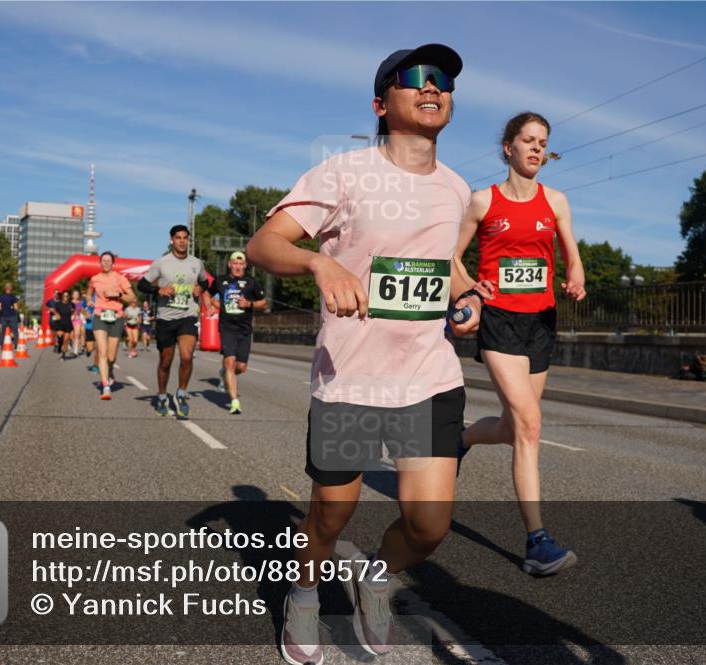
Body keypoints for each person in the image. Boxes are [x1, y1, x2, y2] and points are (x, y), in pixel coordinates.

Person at [246, 44, 480, 665]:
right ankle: (303, 592)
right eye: (416, 80)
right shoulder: (343, 173)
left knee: (429, 525)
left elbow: (443, 263)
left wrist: (467, 293)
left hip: (429, 375)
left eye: (444, 82)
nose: (433, 88)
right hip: (351, 376)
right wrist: (318, 260)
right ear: (382, 103)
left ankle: (375, 578)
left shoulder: (457, 189)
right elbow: (264, 244)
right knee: (331, 513)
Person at [452, 111, 587, 577]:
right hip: (501, 324)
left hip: (541, 322)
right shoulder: (481, 202)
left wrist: (575, 275)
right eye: (527, 140)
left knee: (514, 427)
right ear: (507, 147)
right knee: (530, 424)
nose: (536, 148)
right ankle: (536, 542)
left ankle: (462, 438)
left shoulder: (557, 201)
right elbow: (451, 257)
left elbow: (571, 253)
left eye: (542, 142)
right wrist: (472, 290)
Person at [137, 225, 212, 418]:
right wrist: (158, 290)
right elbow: (142, 284)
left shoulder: (197, 263)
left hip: (188, 316)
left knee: (186, 356)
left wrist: (200, 289)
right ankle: (162, 395)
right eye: (178, 238)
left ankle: (181, 393)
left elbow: (205, 282)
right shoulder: (161, 263)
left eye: (185, 238)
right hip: (166, 318)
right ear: (172, 240)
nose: (182, 241)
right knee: (166, 361)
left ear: (188, 240)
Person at [210, 251, 266, 414]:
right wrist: (211, 303)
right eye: (235, 263)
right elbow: (207, 292)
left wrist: (249, 304)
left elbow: (263, 302)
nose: (238, 267)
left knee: (241, 367)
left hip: (244, 329)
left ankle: (224, 374)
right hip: (227, 327)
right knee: (229, 362)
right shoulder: (221, 281)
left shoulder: (252, 282)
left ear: (245, 266)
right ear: (230, 265)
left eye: (241, 264)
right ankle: (234, 401)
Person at [86, 252, 136, 400]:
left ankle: (111, 369)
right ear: (100, 263)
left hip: (116, 317)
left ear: (113, 263)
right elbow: (89, 293)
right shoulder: (95, 279)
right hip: (99, 316)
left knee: (111, 356)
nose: (106, 263)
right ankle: (105, 385)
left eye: (109, 261)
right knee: (101, 352)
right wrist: (89, 300)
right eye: (103, 261)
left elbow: (133, 297)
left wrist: (118, 296)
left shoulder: (120, 279)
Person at [50, 291, 76, 359]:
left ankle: (63, 354)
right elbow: (53, 310)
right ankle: (59, 345)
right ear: (62, 297)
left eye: (67, 296)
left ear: (69, 297)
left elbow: (73, 312)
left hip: (68, 324)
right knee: (60, 338)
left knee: (66, 340)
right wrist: (56, 314)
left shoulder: (72, 304)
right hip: (60, 324)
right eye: (64, 296)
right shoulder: (58, 304)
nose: (65, 297)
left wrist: (74, 315)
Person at [0, 282, 21, 347]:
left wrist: (3, 311)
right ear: (11, 288)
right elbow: (16, 307)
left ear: (5, 289)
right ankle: (16, 346)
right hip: (12, 316)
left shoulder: (1, 297)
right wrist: (17, 309)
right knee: (15, 332)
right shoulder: (13, 297)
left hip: (4, 317)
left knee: (3, 332)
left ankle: (1, 346)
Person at [84, 292, 98, 372]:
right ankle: (87, 350)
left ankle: (96, 365)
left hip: (100, 328)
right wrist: (87, 314)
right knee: (90, 348)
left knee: (99, 349)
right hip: (90, 327)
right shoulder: (90, 298)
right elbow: (84, 310)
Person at [45, 289, 62, 353]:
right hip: (53, 318)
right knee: (54, 333)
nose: (56, 294)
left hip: (60, 317)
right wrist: (50, 309)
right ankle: (56, 344)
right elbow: (46, 307)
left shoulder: (61, 301)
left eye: (58, 293)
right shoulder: (50, 301)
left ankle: (59, 344)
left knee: (60, 332)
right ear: (53, 294)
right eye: (55, 293)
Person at [71, 288, 86, 356]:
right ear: (72, 295)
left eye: (77, 294)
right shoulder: (69, 302)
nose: (76, 295)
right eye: (74, 294)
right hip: (69, 320)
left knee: (77, 335)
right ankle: (70, 343)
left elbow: (82, 310)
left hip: (77, 319)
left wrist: (86, 315)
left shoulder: (80, 302)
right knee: (71, 336)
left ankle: (75, 351)